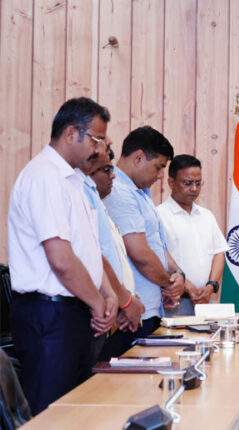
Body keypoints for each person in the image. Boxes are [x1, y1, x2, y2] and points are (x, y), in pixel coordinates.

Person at [7, 97, 118, 413]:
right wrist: (97, 303)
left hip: (73, 312)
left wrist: (107, 295)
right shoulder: (44, 176)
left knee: (74, 412)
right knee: (50, 413)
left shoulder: (74, 180)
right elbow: (61, 258)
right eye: (96, 139)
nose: (99, 149)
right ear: (71, 133)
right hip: (49, 314)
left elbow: (87, 250)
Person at [104, 126, 185, 342]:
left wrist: (177, 273)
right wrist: (168, 285)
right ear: (139, 158)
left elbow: (156, 245)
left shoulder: (140, 192)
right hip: (131, 313)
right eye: (159, 167)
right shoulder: (118, 192)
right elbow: (139, 254)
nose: (160, 176)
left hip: (149, 307)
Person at [81, 144, 145, 364]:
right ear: (88, 170)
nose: (113, 175)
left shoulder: (99, 203)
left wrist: (123, 303)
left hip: (111, 310)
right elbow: (95, 258)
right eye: (107, 169)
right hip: (95, 313)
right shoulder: (84, 196)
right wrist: (124, 302)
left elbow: (114, 260)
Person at [157, 155, 229, 316]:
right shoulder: (159, 215)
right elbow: (158, 256)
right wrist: (188, 287)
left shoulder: (207, 216)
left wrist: (211, 286)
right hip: (175, 302)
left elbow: (219, 253)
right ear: (171, 182)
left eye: (198, 183)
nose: (194, 189)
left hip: (206, 299)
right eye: (187, 183)